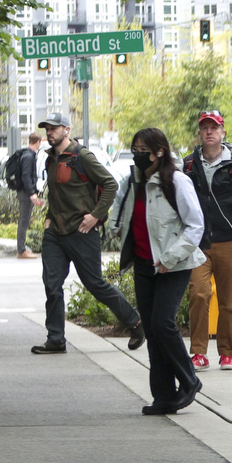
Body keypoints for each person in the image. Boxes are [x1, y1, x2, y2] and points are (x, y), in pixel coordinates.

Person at [108, 128, 207, 414]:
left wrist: (171, 256)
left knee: (163, 322)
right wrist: (113, 225)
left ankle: (188, 380)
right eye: (135, 148)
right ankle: (163, 397)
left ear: (159, 151)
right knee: (152, 330)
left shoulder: (177, 181)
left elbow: (195, 226)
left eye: (143, 149)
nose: (138, 154)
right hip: (144, 264)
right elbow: (119, 208)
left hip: (174, 264)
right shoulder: (133, 182)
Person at [32, 113, 144, 354]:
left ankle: (135, 322)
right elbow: (55, 192)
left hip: (82, 233)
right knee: (51, 285)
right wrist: (49, 217)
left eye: (54, 128)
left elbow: (110, 184)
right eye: (47, 129)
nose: (49, 132)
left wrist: (95, 216)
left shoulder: (82, 156)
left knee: (94, 284)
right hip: (56, 235)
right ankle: (56, 339)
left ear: (67, 130)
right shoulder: (50, 159)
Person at [182, 111, 232, 372]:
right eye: (204, 127)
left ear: (222, 132)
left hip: (230, 240)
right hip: (198, 242)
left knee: (228, 300)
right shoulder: (189, 165)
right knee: (199, 294)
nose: (209, 132)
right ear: (199, 133)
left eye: (214, 127)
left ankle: (227, 353)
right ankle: (198, 352)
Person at [10, 131, 45, 259]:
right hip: (25, 193)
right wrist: (32, 193)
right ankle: (21, 250)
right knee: (23, 221)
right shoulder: (29, 156)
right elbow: (26, 176)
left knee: (24, 221)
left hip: (24, 192)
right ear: (38, 142)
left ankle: (22, 249)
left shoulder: (26, 154)